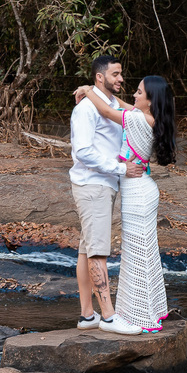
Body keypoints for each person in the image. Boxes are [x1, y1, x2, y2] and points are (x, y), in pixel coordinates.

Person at [75, 74, 177, 333]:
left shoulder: (138, 119)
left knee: (137, 253)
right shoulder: (147, 117)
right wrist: (104, 93)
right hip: (141, 189)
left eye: (140, 93)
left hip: (138, 194)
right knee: (143, 251)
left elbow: (109, 111)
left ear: (151, 100)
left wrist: (89, 92)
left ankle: (140, 316)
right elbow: (122, 104)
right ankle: (148, 310)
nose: (134, 95)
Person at [70, 55, 147, 335]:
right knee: (98, 251)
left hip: (104, 185)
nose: (121, 79)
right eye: (115, 74)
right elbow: (83, 151)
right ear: (100, 76)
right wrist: (120, 168)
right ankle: (109, 317)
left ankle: (87, 316)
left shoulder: (111, 104)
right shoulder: (87, 109)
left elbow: (134, 115)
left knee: (87, 249)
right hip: (93, 185)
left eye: (121, 74)